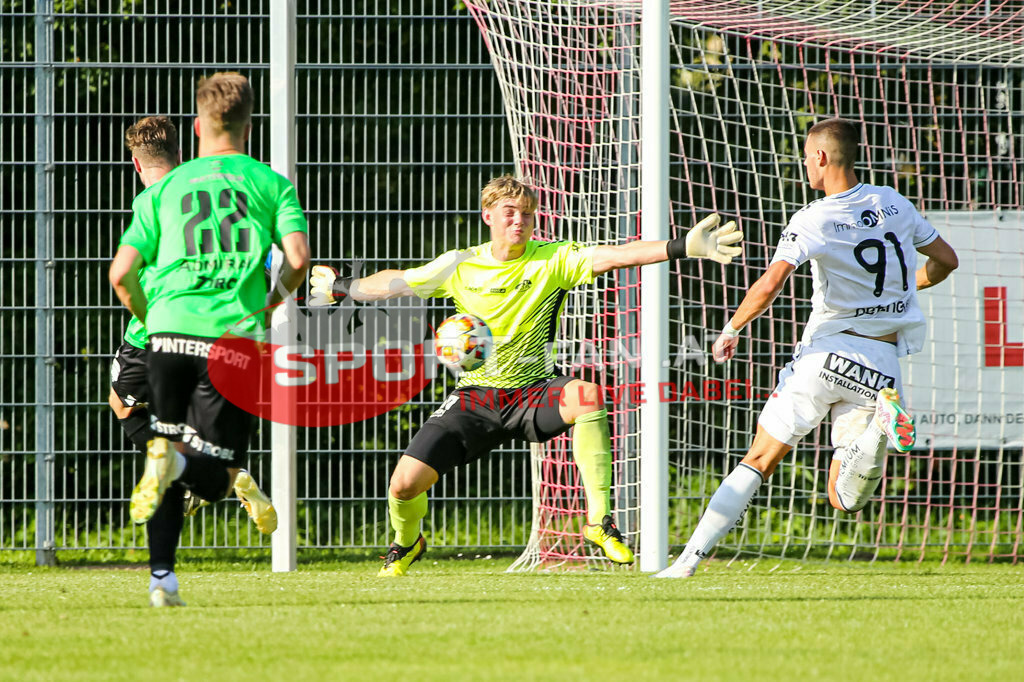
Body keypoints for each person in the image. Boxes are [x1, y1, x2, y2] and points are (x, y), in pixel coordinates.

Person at [309, 174, 744, 576]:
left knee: (587, 395)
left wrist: (679, 247)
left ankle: (598, 521)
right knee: (403, 485)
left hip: (533, 392)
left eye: (527, 213)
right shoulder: (460, 265)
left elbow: (611, 257)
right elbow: (396, 282)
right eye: (510, 213)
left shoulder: (551, 259)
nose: (520, 221)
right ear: (488, 216)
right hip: (476, 398)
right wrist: (342, 287)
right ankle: (407, 543)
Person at [655, 118, 959, 579]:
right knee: (844, 498)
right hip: (882, 366)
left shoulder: (814, 217)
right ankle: (878, 432)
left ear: (819, 157)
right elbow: (947, 261)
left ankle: (687, 562)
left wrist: (732, 326)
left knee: (758, 460)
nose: (804, 166)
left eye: (804, 157)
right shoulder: (893, 202)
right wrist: (908, 289)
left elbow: (772, 281)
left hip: (828, 354)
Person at [109, 73, 311, 606]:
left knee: (165, 445)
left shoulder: (166, 187)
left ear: (196, 127)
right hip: (232, 340)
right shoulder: (269, 183)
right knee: (213, 473)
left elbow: (120, 274)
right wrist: (272, 301)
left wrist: (151, 316)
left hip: (167, 334)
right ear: (248, 126)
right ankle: (173, 469)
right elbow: (297, 261)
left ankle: (162, 581)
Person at [112, 115, 277, 532]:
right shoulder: (204, 189)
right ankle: (221, 472)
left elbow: (125, 275)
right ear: (181, 155)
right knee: (207, 428)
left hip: (153, 328)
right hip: (220, 327)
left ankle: (180, 471)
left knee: (123, 403)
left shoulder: (152, 202)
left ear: (135, 164)